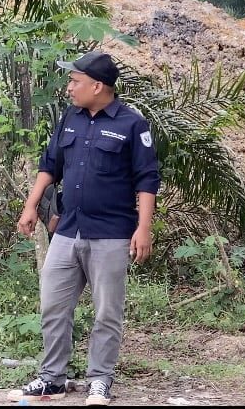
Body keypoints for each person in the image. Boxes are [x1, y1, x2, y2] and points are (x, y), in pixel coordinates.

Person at [8, 51, 160, 406]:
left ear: (98, 86)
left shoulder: (132, 125)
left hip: (110, 233)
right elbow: (50, 166)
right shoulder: (70, 119)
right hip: (67, 231)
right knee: (53, 305)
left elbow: (147, 180)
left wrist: (143, 228)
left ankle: (100, 381)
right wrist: (31, 206)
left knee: (107, 311)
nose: (69, 88)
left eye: (75, 81)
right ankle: (51, 379)